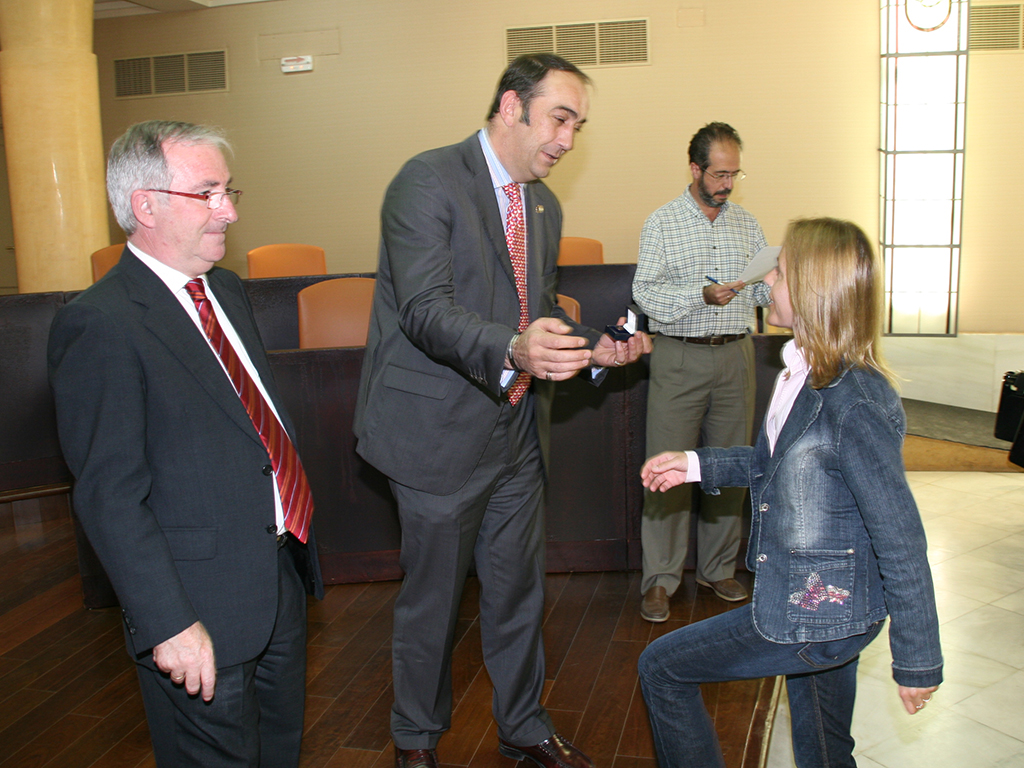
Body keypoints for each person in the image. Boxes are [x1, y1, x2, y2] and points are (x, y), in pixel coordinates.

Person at [353, 54, 651, 768]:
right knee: (432, 605)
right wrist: (515, 349)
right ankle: (415, 742)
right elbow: (424, 311)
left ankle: (523, 726)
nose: (569, 140)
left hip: (514, 432)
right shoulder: (426, 181)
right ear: (512, 107)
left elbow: (535, 311)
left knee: (519, 591)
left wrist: (592, 351)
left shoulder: (542, 205)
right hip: (433, 435)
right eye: (561, 118)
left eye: (579, 125)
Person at [48, 120, 323, 768]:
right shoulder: (99, 324)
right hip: (194, 609)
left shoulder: (224, 289)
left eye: (230, 191)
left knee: (280, 751)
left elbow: (250, 432)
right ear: (146, 205)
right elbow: (110, 496)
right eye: (209, 193)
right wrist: (167, 622)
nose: (228, 210)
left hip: (276, 580)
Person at [636, 218, 943, 768]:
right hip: (823, 605)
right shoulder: (802, 374)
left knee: (662, 666)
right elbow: (773, 467)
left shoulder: (855, 402)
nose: (767, 282)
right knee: (825, 748)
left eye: (777, 272)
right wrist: (694, 464)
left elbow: (900, 536)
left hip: (815, 610)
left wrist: (918, 660)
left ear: (810, 290)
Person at [632, 122, 771, 620]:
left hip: (737, 355)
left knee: (730, 467)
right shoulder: (663, 223)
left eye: (734, 173)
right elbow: (645, 294)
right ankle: (661, 580)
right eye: (719, 173)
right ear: (695, 169)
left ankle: (718, 569)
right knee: (667, 468)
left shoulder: (747, 225)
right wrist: (700, 296)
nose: (728, 183)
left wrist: (780, 282)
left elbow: (759, 292)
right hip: (680, 355)